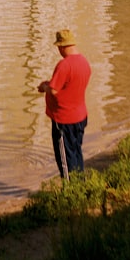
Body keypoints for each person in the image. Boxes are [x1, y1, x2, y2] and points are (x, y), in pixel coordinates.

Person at [38, 29, 91, 180]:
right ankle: (80, 184)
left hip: (64, 120)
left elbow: (54, 90)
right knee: (76, 152)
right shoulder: (84, 62)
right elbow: (68, 85)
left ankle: (69, 193)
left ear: (61, 47)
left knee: (65, 159)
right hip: (80, 116)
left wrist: (44, 87)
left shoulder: (64, 65)